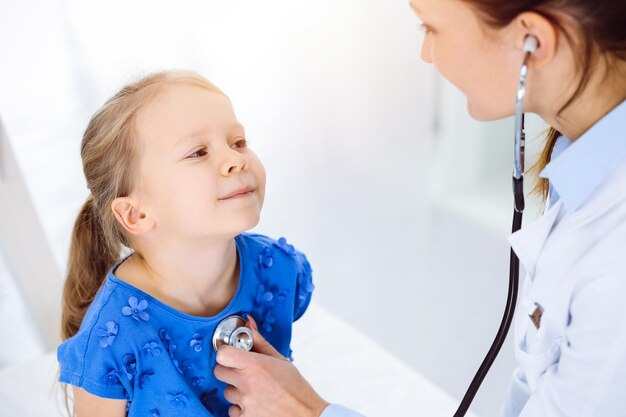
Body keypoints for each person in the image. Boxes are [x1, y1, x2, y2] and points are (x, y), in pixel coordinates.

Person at [213, 0, 626, 416]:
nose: (426, 53)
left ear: (531, 41)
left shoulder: (614, 267)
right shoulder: (587, 176)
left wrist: (307, 411)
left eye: (430, 28)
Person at [56, 70, 316, 417]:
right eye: (198, 152)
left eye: (238, 142)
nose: (236, 159)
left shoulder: (279, 269)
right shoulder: (112, 339)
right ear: (135, 214)